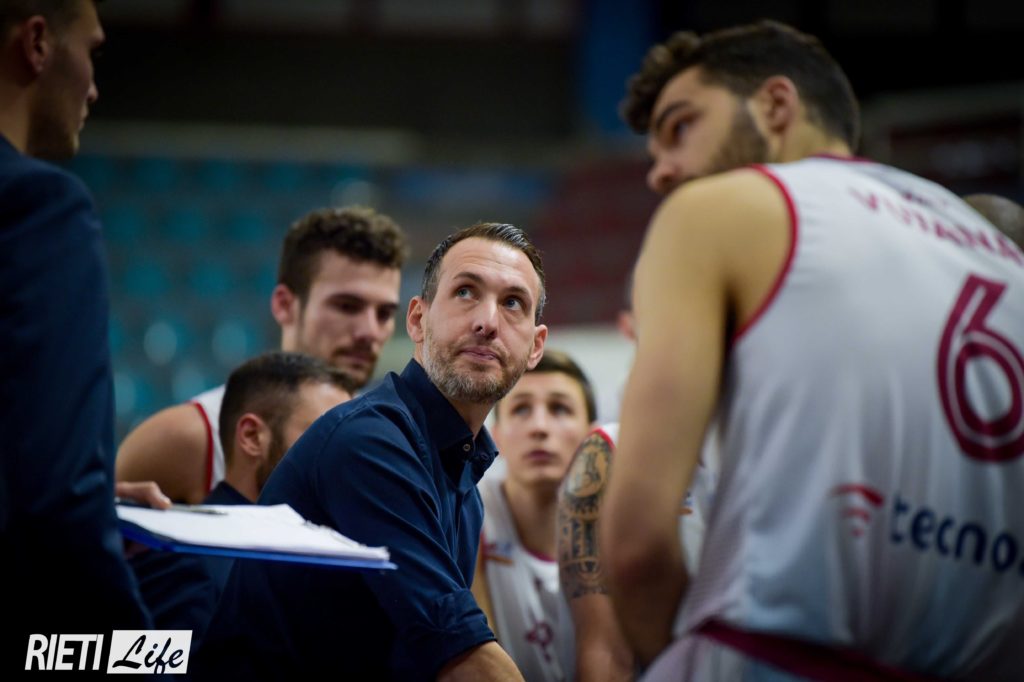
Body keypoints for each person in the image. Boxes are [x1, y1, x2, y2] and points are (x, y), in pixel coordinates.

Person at [599, 20, 1024, 681]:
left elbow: (634, 548)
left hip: (766, 655)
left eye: (680, 127)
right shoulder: (1001, 256)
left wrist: (673, 658)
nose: (660, 173)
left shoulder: (715, 210)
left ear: (775, 106)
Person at [197, 222, 548, 680]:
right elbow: (460, 655)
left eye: (513, 303)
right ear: (418, 320)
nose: (488, 321)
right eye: (465, 292)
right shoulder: (368, 441)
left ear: (536, 346)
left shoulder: (466, 488)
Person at [0, 0, 153, 672]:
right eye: (91, 52)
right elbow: (57, 503)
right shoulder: (39, 205)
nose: (93, 88)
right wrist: (140, 659)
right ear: (37, 44)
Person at [116, 205, 409, 503]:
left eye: (384, 313)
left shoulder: (390, 443)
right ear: (285, 305)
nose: (370, 331)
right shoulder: (186, 438)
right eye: (347, 306)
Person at [131, 351, 352, 650]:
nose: (345, 456)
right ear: (251, 436)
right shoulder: (188, 558)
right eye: (323, 434)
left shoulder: (315, 548)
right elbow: (142, 663)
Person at [472, 349, 597, 681]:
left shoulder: (618, 524)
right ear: (496, 435)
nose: (539, 427)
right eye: (521, 409)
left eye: (560, 408)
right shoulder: (468, 514)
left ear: (592, 436)